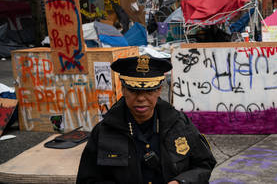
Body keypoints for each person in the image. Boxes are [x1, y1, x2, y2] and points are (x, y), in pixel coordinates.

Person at [77, 55, 216, 184]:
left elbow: (204, 164)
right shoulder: (103, 131)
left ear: (159, 90)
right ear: (123, 90)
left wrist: (181, 181)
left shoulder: (180, 124)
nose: (141, 98)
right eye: (133, 90)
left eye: (149, 91)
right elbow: (87, 180)